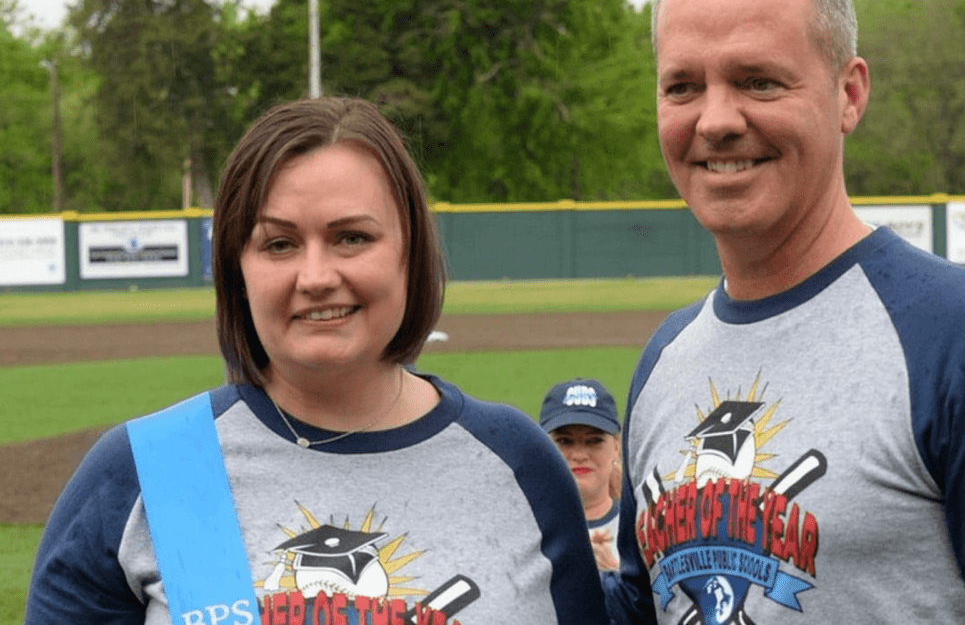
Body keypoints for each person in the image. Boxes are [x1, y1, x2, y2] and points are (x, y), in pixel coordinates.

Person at [604, 0, 965, 624]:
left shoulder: (963, 337)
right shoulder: (664, 359)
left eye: (758, 81)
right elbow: (642, 603)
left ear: (848, 94)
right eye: (682, 86)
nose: (715, 120)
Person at [25, 97, 609, 625]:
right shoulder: (148, 470)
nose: (317, 277)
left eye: (351, 237)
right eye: (278, 244)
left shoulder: (519, 463)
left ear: (410, 251)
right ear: (237, 269)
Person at [539, 379, 622, 575]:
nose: (579, 455)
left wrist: (618, 583)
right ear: (540, 447)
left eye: (594, 441)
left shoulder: (640, 530)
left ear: (616, 448)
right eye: (564, 441)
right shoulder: (523, 530)